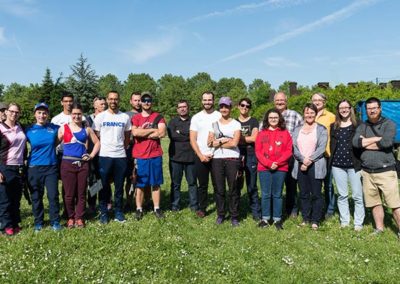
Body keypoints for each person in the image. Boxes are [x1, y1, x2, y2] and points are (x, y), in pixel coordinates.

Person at [352, 97, 400, 237]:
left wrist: (365, 142)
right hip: (367, 171)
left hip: (386, 170)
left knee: (394, 203)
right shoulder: (363, 125)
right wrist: (376, 139)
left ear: (380, 109)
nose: (372, 110)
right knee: (374, 202)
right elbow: (356, 143)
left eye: (374, 108)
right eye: (369, 108)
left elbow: (386, 143)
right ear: (366, 110)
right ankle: (379, 229)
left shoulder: (389, 124)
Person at [58, 103, 100, 228]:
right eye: (74, 114)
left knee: (81, 193)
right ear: (71, 114)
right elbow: (53, 143)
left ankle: (79, 217)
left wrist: (91, 155)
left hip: (82, 165)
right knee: (69, 194)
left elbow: (97, 143)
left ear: (82, 115)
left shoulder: (86, 129)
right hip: (67, 164)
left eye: (79, 114)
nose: (76, 116)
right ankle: (70, 217)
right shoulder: (63, 128)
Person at [93, 91, 131, 224]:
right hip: (104, 155)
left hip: (120, 156)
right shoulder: (100, 117)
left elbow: (127, 137)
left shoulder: (125, 117)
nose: (113, 101)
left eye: (115, 99)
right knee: (103, 186)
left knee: (119, 186)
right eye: (110, 99)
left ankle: (118, 212)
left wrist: (121, 147)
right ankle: (103, 212)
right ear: (107, 100)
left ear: (119, 100)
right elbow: (97, 135)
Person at [25, 102, 62, 232]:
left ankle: (55, 221)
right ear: (35, 114)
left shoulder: (54, 128)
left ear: (48, 114)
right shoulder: (28, 130)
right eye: (39, 112)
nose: (42, 115)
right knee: (36, 196)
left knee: (53, 195)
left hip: (51, 167)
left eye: (44, 112)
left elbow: (69, 128)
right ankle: (38, 222)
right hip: (34, 167)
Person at [292, 103, 328, 230]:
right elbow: (294, 148)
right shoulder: (297, 129)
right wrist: (303, 160)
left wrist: (309, 160)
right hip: (300, 165)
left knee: (317, 193)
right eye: (307, 112)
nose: (309, 115)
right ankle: (306, 218)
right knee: (303, 193)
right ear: (304, 114)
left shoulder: (321, 129)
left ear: (316, 114)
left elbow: (322, 148)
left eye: (312, 112)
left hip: (316, 165)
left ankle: (315, 220)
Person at [330, 100, 365, 231]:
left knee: (357, 195)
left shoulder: (359, 125)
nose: (344, 110)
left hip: (354, 164)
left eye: (346, 107)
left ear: (351, 109)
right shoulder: (333, 126)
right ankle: (344, 221)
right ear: (338, 110)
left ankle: (358, 223)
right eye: (341, 108)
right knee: (342, 195)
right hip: (337, 165)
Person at [255, 109, 292, 230]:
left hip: (280, 168)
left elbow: (288, 151)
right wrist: (268, 163)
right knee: (265, 194)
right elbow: (258, 151)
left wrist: (278, 163)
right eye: (271, 117)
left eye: (275, 117)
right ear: (267, 119)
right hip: (264, 167)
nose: (273, 119)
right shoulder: (261, 133)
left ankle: (277, 219)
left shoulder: (285, 133)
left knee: (277, 194)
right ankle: (265, 219)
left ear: (279, 118)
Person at [132, 92, 166, 220]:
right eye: (144, 100)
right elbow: (135, 132)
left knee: (156, 183)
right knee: (140, 184)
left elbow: (162, 133)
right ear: (140, 102)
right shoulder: (136, 118)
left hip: (155, 154)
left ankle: (156, 208)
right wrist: (152, 130)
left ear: (152, 102)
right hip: (140, 156)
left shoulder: (158, 117)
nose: (146, 102)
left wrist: (143, 132)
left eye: (149, 100)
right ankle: (139, 209)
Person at [208, 97, 241, 226]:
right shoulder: (215, 124)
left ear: (231, 108)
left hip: (232, 159)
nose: (224, 109)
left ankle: (234, 216)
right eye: (222, 106)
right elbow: (209, 142)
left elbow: (235, 143)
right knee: (219, 189)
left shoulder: (236, 124)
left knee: (233, 188)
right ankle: (221, 214)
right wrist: (225, 140)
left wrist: (218, 142)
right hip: (217, 160)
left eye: (226, 106)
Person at [190, 92, 221, 218]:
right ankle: (202, 208)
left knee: (218, 184)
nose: (207, 102)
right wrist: (200, 155)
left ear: (213, 101)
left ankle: (221, 208)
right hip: (200, 156)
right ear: (201, 101)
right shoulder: (196, 117)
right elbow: (192, 139)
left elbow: (224, 135)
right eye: (205, 100)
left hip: (217, 156)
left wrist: (214, 151)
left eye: (209, 100)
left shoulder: (220, 116)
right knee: (202, 185)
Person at [274, 92, 303, 218]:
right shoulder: (270, 115)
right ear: (274, 102)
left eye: (282, 100)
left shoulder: (294, 115)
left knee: (291, 183)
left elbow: (303, 133)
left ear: (286, 101)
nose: (280, 102)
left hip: (290, 155)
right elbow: (261, 133)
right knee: (275, 184)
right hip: (273, 156)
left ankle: (292, 209)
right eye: (277, 100)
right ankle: (275, 210)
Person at [0, 103, 27, 236]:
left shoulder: (20, 126)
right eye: (11, 111)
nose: (14, 114)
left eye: (17, 112)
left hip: (19, 167)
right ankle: (6, 226)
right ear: (6, 112)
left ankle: (15, 224)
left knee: (16, 198)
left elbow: (24, 147)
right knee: (5, 199)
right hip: (4, 166)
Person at [168, 100, 198, 212]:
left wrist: (181, 133)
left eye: (184, 107)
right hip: (175, 158)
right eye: (180, 107)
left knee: (192, 183)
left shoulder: (194, 121)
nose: (182, 109)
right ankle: (175, 205)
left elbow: (196, 136)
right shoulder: (172, 122)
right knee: (176, 184)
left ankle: (194, 206)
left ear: (188, 108)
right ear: (177, 109)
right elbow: (174, 137)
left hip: (191, 158)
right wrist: (189, 135)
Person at [236, 98, 261, 221]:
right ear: (238, 106)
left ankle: (256, 212)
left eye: (247, 106)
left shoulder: (253, 121)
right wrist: (247, 138)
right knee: (236, 184)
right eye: (242, 105)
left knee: (252, 185)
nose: (245, 107)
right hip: (236, 155)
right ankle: (236, 211)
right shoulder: (233, 122)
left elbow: (255, 138)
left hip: (251, 155)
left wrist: (238, 138)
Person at [312, 93, 336, 218]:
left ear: (324, 102)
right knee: (315, 184)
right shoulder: (308, 115)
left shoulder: (331, 116)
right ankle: (316, 208)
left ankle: (330, 209)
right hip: (311, 156)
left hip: (326, 155)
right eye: (314, 100)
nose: (316, 102)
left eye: (319, 100)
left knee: (328, 184)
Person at [86, 97, 106, 214]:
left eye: (104, 104)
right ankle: (92, 204)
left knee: (104, 179)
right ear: (95, 106)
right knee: (93, 180)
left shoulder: (108, 117)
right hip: (93, 154)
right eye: (101, 104)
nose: (104, 106)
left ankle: (106, 201)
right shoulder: (88, 119)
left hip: (106, 153)